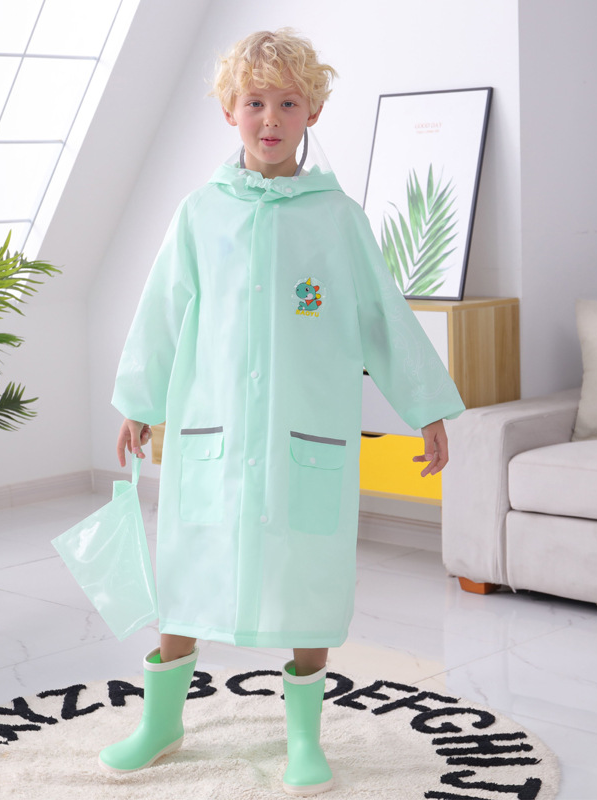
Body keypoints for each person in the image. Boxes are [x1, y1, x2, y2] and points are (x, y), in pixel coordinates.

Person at [100, 28, 465, 796]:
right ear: (229, 110)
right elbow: (163, 309)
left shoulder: (337, 219)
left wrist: (427, 408)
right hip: (213, 432)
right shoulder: (201, 213)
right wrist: (138, 401)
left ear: (314, 113)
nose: (271, 119)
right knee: (188, 571)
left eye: (289, 103)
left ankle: (304, 738)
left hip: (306, 434)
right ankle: (161, 723)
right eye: (255, 102)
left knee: (308, 578)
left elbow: (382, 318)